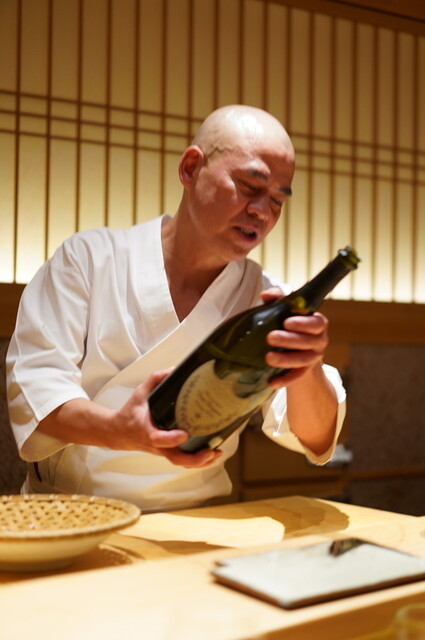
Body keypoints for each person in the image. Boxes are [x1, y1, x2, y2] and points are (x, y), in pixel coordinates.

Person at [6, 105, 346, 511]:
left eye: (277, 200)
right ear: (190, 169)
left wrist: (306, 366)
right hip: (73, 513)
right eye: (248, 186)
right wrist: (119, 430)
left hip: (199, 520)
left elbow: (316, 437)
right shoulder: (89, 261)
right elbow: (37, 391)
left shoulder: (265, 299)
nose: (261, 211)